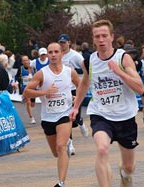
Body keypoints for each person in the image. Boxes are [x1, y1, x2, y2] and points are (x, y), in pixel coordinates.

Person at [69, 19, 144, 187]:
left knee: (129, 166)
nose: (101, 39)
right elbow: (84, 83)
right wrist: (75, 108)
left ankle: (125, 175)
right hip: (101, 114)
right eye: (97, 36)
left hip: (126, 117)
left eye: (104, 36)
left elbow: (140, 88)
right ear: (93, 39)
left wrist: (119, 72)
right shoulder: (88, 61)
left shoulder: (123, 58)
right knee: (102, 150)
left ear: (112, 37)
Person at [23, 42, 80, 187]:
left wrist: (76, 98)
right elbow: (26, 92)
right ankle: (64, 151)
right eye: (50, 52)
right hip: (48, 117)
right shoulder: (41, 73)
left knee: (61, 147)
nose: (53, 55)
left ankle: (61, 183)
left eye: (56, 52)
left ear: (61, 53)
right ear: (47, 55)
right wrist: (44, 92)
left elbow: (82, 87)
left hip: (64, 114)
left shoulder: (69, 72)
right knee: (56, 152)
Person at [58, 33, 89, 156]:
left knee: (74, 118)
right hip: (62, 90)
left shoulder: (76, 56)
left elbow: (86, 68)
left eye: (64, 42)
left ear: (69, 43)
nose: (62, 45)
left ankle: (80, 122)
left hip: (74, 89)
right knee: (66, 118)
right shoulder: (57, 55)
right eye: (60, 42)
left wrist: (77, 73)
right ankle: (70, 144)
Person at [16, 55, 36, 124]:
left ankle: (29, 107)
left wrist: (32, 78)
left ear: (29, 60)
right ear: (22, 62)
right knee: (28, 102)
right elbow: (16, 77)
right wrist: (18, 81)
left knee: (32, 104)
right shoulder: (21, 69)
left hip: (33, 88)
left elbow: (37, 77)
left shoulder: (33, 68)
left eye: (26, 60)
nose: (25, 62)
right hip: (25, 88)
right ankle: (32, 118)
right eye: (24, 61)